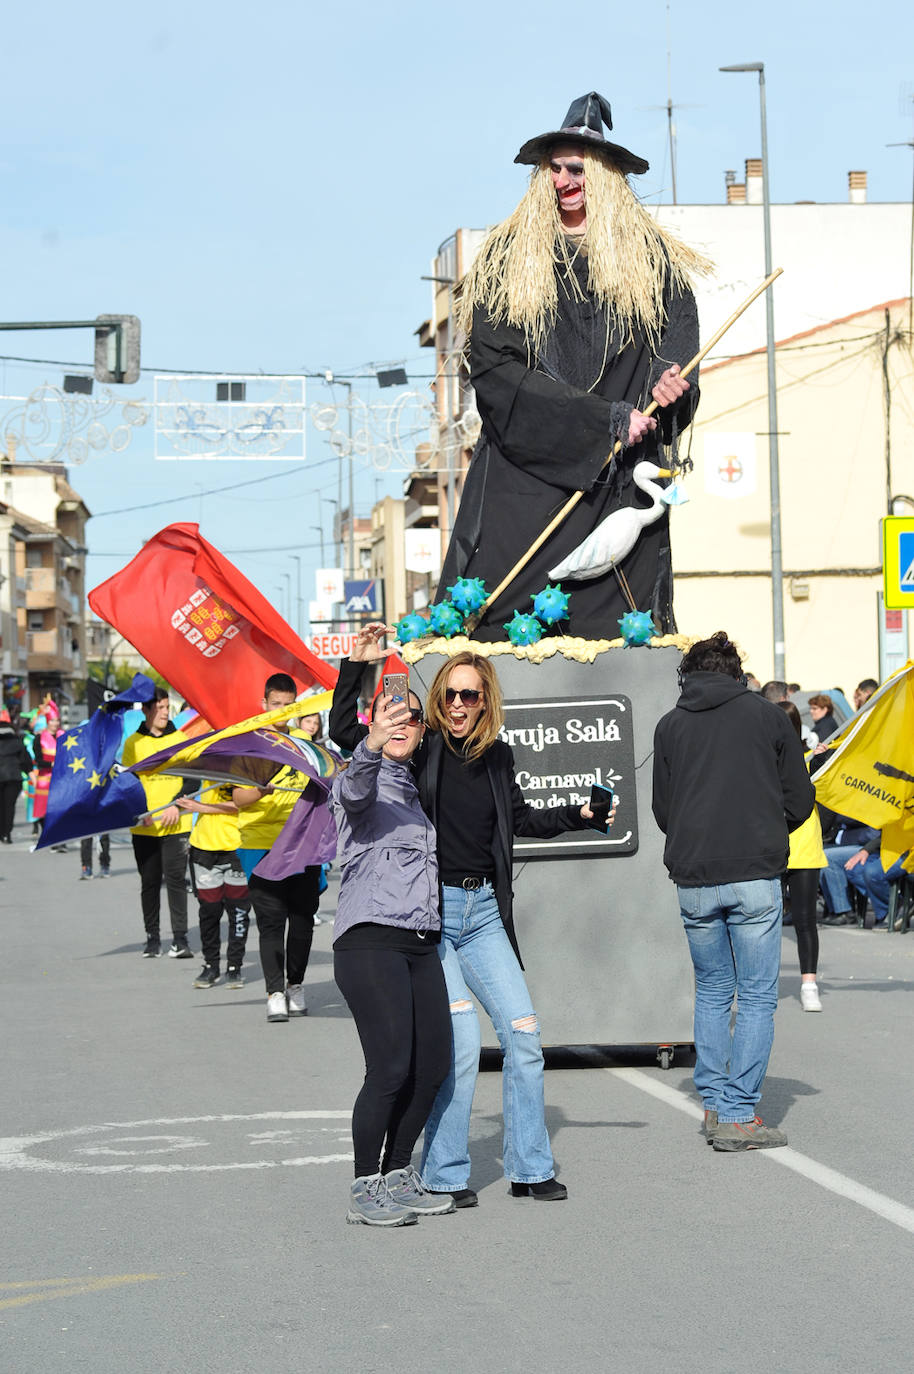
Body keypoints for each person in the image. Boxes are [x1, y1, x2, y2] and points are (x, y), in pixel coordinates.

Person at [330, 624, 604, 1205]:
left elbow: (520, 820)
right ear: (439, 701)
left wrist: (580, 813)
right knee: (458, 1045)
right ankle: (446, 1173)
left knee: (525, 1036)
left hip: (484, 915)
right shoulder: (422, 748)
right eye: (450, 695)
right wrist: (355, 669)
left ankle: (530, 1167)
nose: (457, 705)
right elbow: (352, 739)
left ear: (487, 700)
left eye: (469, 695)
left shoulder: (500, 757)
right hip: (432, 915)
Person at [437, 91, 709, 639]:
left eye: (577, 169)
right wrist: (599, 420)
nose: (564, 181)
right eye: (555, 168)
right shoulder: (508, 260)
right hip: (526, 479)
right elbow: (494, 372)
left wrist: (667, 383)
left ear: (605, 175)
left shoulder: (653, 264)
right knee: (504, 619)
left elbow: (676, 352)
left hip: (617, 482)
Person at [652, 631, 815, 1151]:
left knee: (715, 991)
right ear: (734, 671)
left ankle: (715, 1105)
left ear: (690, 675)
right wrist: (767, 828)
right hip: (754, 873)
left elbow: (662, 810)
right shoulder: (767, 716)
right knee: (758, 995)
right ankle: (740, 1116)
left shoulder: (671, 724)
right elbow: (800, 799)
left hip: (694, 877)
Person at [332, 688, 454, 1227]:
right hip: (369, 940)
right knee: (389, 1068)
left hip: (419, 942)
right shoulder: (363, 777)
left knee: (431, 1067)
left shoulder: (419, 789)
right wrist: (371, 744)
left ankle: (399, 1172)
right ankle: (364, 1186)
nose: (400, 725)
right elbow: (356, 793)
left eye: (410, 720)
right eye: (390, 717)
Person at [233, 674, 323, 1023]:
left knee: (302, 920)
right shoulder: (249, 744)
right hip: (260, 844)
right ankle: (274, 992)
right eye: (276, 704)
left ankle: (295, 984)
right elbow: (239, 798)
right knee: (271, 921)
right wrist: (263, 788)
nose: (282, 711)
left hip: (304, 843)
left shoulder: (306, 745)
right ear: (264, 704)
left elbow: (326, 781)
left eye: (289, 705)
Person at [122, 688, 194, 958]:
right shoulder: (133, 744)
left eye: (167, 707)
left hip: (177, 824)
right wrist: (142, 809)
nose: (165, 712)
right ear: (146, 711)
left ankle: (181, 939)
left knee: (176, 880)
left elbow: (192, 779)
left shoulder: (180, 739)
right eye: (160, 708)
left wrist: (177, 803)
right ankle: (152, 938)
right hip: (145, 825)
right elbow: (128, 783)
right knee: (150, 882)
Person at [176, 784, 251, 989]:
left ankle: (234, 966)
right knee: (209, 911)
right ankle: (211, 965)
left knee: (238, 912)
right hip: (203, 849)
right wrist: (179, 804)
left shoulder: (247, 768)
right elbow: (185, 788)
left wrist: (203, 807)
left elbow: (245, 804)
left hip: (237, 848)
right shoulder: (207, 764)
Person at [776, 702, 826, 1011]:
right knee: (766, 922)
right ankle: (764, 984)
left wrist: (824, 757)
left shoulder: (812, 760)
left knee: (805, 920)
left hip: (804, 848)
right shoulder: (760, 759)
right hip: (771, 847)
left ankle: (809, 984)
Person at [0, 710, 32, 844]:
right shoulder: (17, 741)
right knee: (9, 806)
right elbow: (25, 761)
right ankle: (7, 833)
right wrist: (30, 773)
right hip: (13, 777)